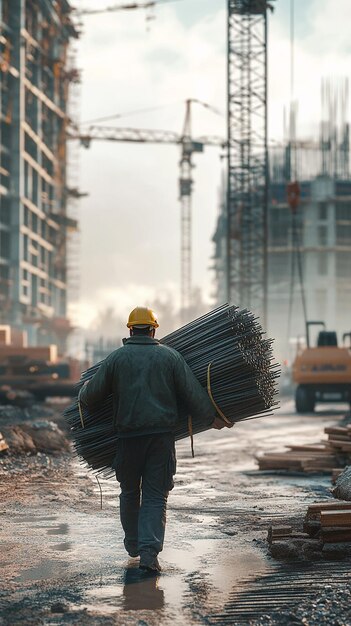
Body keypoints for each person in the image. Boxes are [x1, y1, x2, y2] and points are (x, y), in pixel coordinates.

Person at [79, 306, 230, 573]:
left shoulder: (116, 359)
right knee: (155, 496)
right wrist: (211, 418)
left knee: (128, 492)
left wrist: (83, 392)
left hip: (127, 439)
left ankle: (133, 545)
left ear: (129, 330)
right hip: (160, 440)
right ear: (153, 329)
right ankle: (149, 554)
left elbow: (90, 398)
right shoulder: (170, 357)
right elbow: (192, 392)